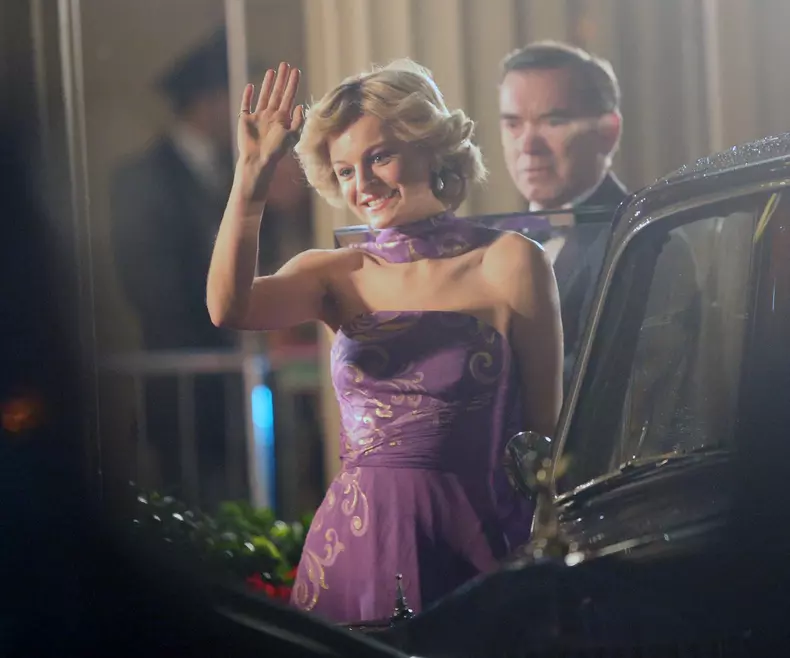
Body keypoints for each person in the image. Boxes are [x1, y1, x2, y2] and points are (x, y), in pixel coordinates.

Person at [206, 59, 563, 623]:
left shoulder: (511, 261)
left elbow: (545, 433)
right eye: (345, 170)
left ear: (430, 145)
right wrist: (250, 180)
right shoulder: (336, 272)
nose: (363, 185)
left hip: (481, 535)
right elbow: (229, 307)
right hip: (357, 542)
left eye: (379, 156)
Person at [498, 41, 627, 388]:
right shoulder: (493, 239)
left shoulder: (642, 239)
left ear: (608, 133)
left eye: (553, 122)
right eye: (513, 125)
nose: (527, 145)